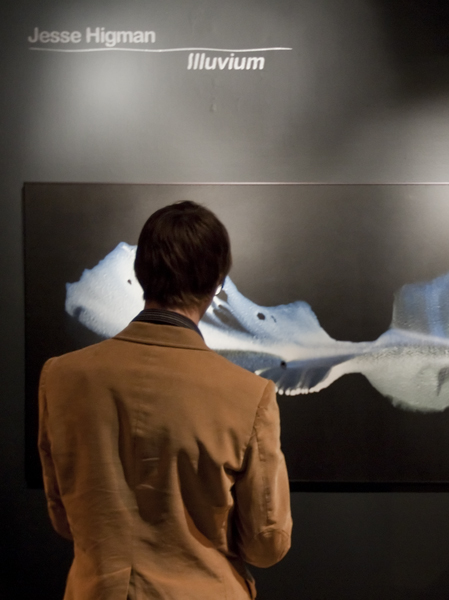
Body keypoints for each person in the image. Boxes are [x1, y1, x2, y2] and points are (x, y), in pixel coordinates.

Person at [38, 201, 292, 599]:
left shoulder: (60, 376)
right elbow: (266, 543)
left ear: (141, 273)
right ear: (217, 283)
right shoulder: (248, 394)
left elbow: (64, 518)